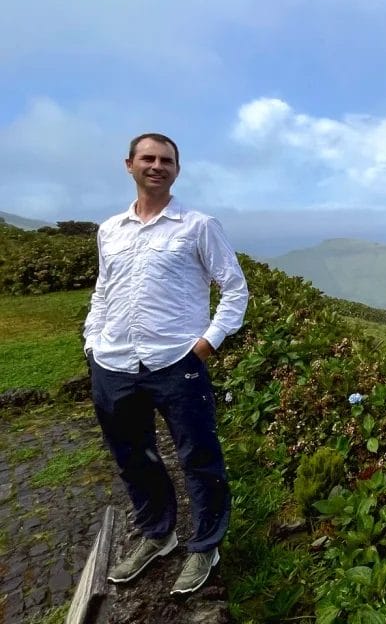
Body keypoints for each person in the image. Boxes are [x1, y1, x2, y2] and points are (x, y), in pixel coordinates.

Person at [84, 133, 249, 596]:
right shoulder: (109, 229)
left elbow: (234, 288)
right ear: (129, 165)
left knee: (198, 457)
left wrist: (208, 343)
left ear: (177, 169)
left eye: (167, 160)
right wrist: (91, 343)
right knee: (133, 458)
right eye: (148, 159)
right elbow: (103, 290)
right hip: (113, 363)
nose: (157, 166)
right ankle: (158, 535)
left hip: (177, 362)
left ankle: (205, 546)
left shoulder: (198, 226)